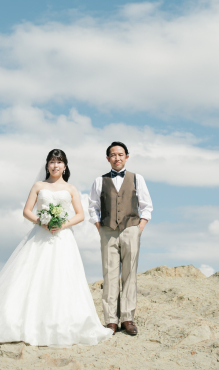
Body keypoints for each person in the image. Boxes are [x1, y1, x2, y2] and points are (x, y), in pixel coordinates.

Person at [0, 149, 112, 347]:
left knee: (62, 277)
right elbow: (27, 211)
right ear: (47, 165)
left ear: (65, 166)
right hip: (40, 235)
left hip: (63, 238)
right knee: (32, 276)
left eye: (59, 162)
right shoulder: (38, 185)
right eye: (52, 161)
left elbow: (80, 215)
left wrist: (62, 224)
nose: (55, 165)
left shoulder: (71, 189)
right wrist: (42, 221)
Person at [88, 141, 153, 336]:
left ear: (126, 156)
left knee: (129, 274)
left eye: (120, 154)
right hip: (107, 231)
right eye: (113, 155)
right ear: (108, 158)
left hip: (131, 229)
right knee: (110, 275)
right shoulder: (99, 181)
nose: (117, 158)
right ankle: (110, 321)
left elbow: (146, 206)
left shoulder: (136, 178)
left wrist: (139, 228)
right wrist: (100, 228)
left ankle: (127, 318)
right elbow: (93, 207)